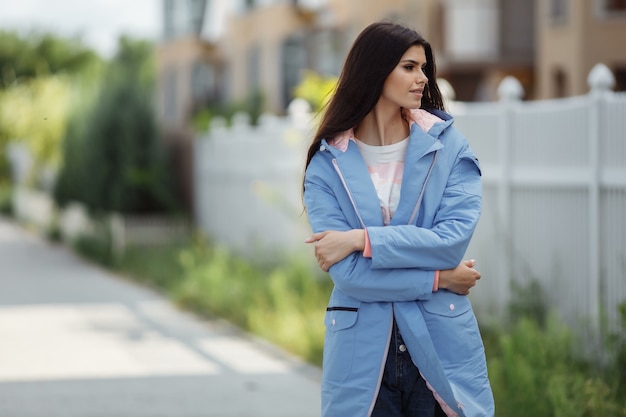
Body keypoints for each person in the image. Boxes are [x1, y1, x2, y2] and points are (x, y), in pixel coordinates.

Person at [302, 21, 494, 417]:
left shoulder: (449, 147)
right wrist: (439, 279)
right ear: (375, 71)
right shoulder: (325, 165)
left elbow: (449, 244)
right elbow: (352, 277)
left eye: (424, 68)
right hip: (361, 353)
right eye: (409, 67)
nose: (422, 78)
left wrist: (360, 240)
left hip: (440, 341)